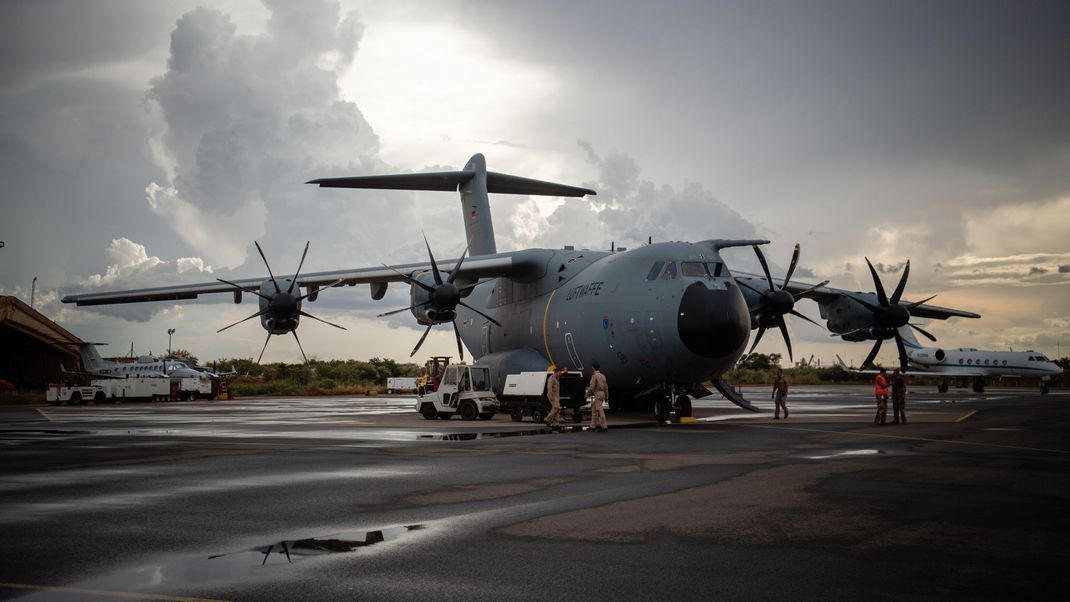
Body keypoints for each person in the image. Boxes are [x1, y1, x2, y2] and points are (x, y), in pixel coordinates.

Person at [586, 361, 609, 432]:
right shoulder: (603, 376)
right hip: (602, 394)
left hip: (597, 394)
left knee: (599, 410)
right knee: (594, 409)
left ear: (593, 368)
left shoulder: (594, 376)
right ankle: (592, 426)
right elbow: (606, 387)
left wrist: (588, 394)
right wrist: (607, 395)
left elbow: (592, 386)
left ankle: (604, 427)